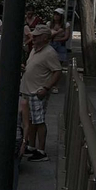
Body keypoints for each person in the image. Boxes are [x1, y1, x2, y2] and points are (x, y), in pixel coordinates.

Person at [20, 25, 62, 161]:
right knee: (31, 120)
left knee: (39, 121)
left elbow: (57, 71)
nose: (34, 37)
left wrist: (46, 87)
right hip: (28, 89)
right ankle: (32, 146)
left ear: (45, 38)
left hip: (37, 91)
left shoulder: (49, 52)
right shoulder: (35, 49)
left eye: (37, 36)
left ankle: (41, 150)